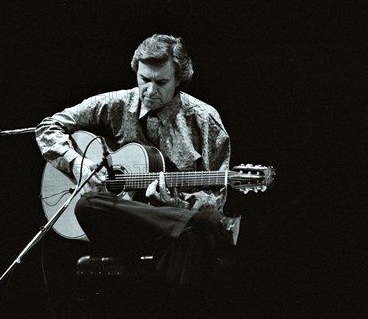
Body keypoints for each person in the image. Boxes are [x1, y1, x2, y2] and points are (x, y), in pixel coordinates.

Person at [35, 34, 240, 288]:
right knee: (88, 204)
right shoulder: (117, 104)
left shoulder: (204, 120)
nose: (150, 90)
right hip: (128, 231)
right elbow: (48, 126)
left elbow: (217, 199)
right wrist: (76, 163)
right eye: (144, 79)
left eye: (161, 82)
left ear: (179, 80)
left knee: (189, 240)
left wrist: (176, 202)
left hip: (175, 234)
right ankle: (191, 222)